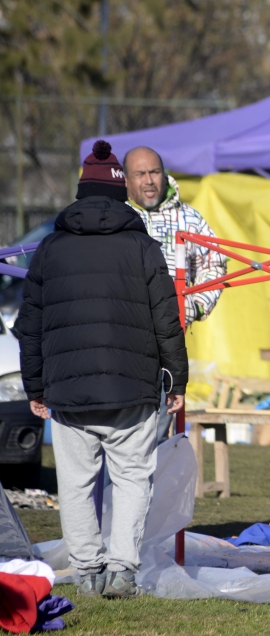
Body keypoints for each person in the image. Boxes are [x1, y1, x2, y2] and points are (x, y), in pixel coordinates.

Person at [15, 140, 188, 598]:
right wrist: (176, 379)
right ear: (121, 192)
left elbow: (27, 325)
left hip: (68, 393)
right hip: (132, 390)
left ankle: (88, 572)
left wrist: (35, 385)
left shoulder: (49, 250)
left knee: (75, 484)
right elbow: (166, 320)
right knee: (132, 479)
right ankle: (122, 571)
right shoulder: (143, 247)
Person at [122, 146, 226, 443]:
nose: (149, 180)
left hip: (167, 340)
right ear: (126, 180)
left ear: (165, 175)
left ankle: (149, 485)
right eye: (140, 174)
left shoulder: (189, 219)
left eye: (155, 172)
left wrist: (190, 307)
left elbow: (215, 264)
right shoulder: (116, 217)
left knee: (157, 430)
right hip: (122, 334)